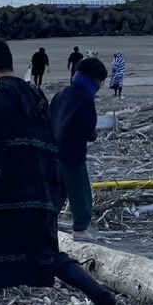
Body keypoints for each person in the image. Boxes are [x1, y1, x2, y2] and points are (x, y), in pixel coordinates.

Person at [0, 38, 122, 305]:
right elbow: (50, 144)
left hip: (8, 197)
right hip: (42, 195)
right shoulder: (36, 95)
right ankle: (104, 300)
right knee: (46, 255)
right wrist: (53, 197)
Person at [50, 56, 109, 241]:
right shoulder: (85, 98)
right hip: (73, 153)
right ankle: (80, 229)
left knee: (57, 191)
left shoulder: (61, 93)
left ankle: (47, 223)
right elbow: (88, 130)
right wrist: (94, 135)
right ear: (95, 80)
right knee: (80, 191)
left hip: (52, 151)